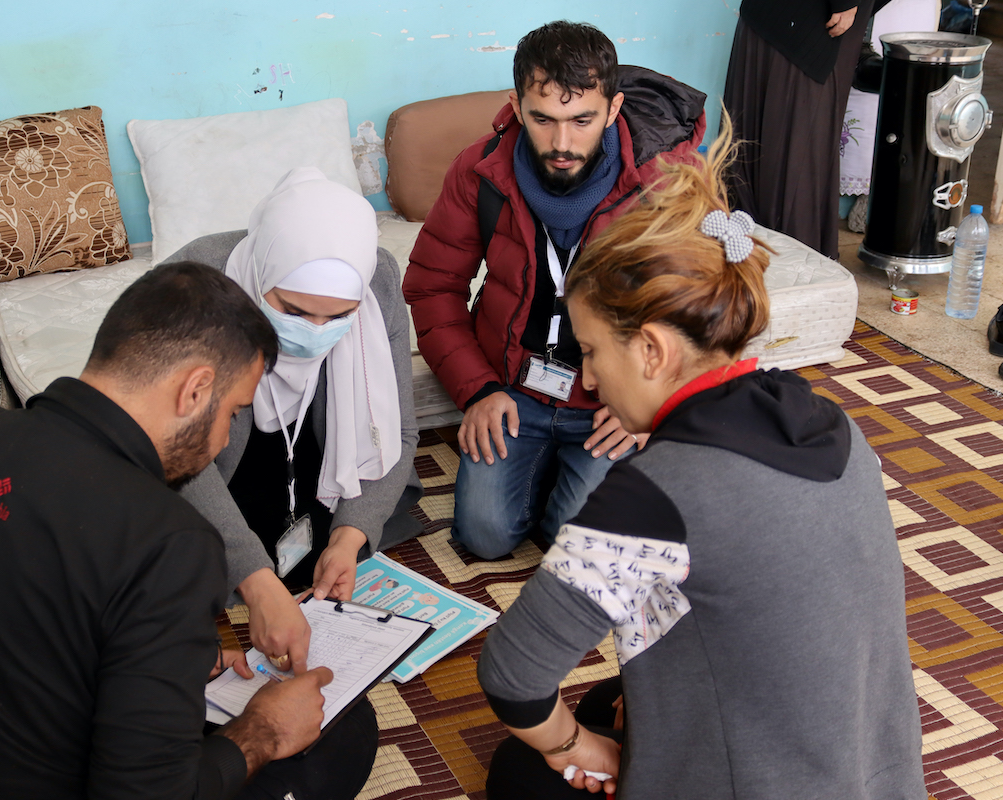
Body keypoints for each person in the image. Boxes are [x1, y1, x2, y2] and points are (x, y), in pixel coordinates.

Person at [476, 126, 926, 798]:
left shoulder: (656, 495)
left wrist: (573, 748)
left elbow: (512, 674)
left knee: (522, 768)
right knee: (612, 697)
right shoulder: (830, 425)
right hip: (873, 776)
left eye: (592, 352)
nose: (588, 380)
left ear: (652, 351)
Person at [0, 263, 378, 800]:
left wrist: (162, 656)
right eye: (232, 412)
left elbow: (2, 602)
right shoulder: (169, 540)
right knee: (339, 735)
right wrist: (263, 732)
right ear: (195, 390)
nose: (225, 440)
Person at [403, 20, 705, 560]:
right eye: (543, 119)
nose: (562, 144)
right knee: (484, 536)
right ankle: (554, 471)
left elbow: (698, 311)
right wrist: (478, 390)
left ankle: (579, 479)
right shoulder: (479, 171)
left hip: (609, 399)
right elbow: (431, 287)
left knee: (580, 545)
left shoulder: (664, 182)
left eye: (581, 120)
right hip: (511, 388)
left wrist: (648, 407)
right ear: (516, 107)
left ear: (613, 109)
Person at [170, 167, 422, 674]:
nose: (316, 333)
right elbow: (179, 453)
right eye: (293, 311)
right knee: (182, 557)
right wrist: (255, 578)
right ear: (263, 273)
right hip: (216, 460)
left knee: (344, 539)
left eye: (339, 317)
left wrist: (350, 536)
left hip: (320, 455)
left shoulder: (377, 280)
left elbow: (397, 431)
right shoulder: (193, 285)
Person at [723, 0, 876, 260]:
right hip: (809, 25)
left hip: (780, 21)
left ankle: (748, 252)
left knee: (758, 136)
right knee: (797, 143)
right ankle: (787, 258)